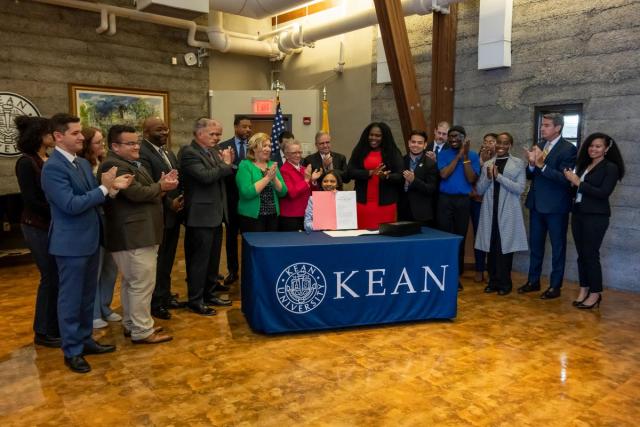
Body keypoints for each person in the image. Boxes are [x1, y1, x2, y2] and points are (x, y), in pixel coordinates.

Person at [41, 113, 132, 373]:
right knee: (70, 299)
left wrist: (112, 188)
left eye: (81, 132)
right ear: (58, 137)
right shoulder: (53, 168)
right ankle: (72, 351)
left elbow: (93, 198)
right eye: (75, 133)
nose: (82, 137)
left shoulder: (80, 164)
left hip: (91, 239)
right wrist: (104, 189)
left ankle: (84, 339)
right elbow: (70, 205)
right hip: (70, 244)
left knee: (86, 296)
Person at [100, 125, 175, 344]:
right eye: (130, 143)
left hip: (139, 233)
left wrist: (160, 186)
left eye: (137, 142)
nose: (136, 146)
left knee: (132, 283)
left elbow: (146, 189)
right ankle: (143, 330)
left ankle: (133, 324)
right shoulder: (114, 164)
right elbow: (136, 194)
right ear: (115, 146)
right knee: (141, 284)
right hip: (133, 234)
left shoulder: (129, 163)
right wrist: (160, 186)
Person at [519, 113, 577, 299]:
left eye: (546, 125)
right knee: (535, 246)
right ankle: (533, 281)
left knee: (558, 248)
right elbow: (531, 175)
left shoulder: (569, 149)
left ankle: (555, 286)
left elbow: (564, 179)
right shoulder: (540, 145)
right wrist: (530, 164)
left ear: (558, 128)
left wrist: (542, 165)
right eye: (542, 125)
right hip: (536, 204)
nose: (542, 128)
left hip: (556, 207)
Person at [563, 132, 625, 309]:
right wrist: (571, 183)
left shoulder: (610, 167)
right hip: (578, 214)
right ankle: (584, 289)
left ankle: (595, 293)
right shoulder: (584, 165)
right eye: (591, 145)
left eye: (598, 146)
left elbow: (603, 193)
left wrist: (578, 183)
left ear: (606, 149)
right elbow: (577, 190)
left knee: (590, 254)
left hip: (596, 216)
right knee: (581, 255)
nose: (593, 149)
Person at [14, 116, 60, 348]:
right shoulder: (26, 162)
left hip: (51, 224)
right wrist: (62, 209)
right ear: (39, 136)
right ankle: (42, 331)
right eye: (50, 132)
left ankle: (54, 325)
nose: (54, 136)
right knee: (49, 277)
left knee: (57, 277)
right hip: (36, 225)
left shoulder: (48, 159)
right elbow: (31, 201)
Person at [180, 118, 234, 316]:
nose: (217, 138)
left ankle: (210, 294)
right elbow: (206, 177)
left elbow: (223, 173)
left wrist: (228, 165)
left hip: (216, 213)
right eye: (213, 134)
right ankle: (195, 300)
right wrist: (226, 164)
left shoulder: (212, 151)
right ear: (199, 133)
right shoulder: (189, 152)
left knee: (212, 260)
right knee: (199, 261)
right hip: (200, 215)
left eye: (218, 134)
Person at [138, 117, 185, 321]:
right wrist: (170, 204)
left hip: (173, 214)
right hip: (158, 214)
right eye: (159, 130)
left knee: (167, 260)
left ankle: (165, 295)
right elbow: (151, 184)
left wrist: (179, 200)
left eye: (166, 129)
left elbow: (175, 179)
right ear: (146, 132)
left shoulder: (167, 152)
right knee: (157, 261)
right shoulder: (143, 153)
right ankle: (155, 302)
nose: (165, 132)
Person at [474, 132, 528, 295]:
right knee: (491, 246)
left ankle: (505, 283)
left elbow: (519, 188)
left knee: (505, 248)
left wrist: (499, 177)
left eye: (505, 143)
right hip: (490, 210)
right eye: (498, 143)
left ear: (510, 145)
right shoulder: (488, 164)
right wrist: (489, 177)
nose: (501, 146)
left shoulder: (518, 163)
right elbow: (480, 189)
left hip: (508, 210)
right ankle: (493, 281)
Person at [78, 127, 120, 329]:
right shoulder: (83, 165)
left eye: (103, 141)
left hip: (111, 221)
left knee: (111, 269)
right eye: (97, 142)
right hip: (96, 221)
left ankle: (105, 306)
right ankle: (93, 312)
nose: (101, 146)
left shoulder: (105, 163)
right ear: (87, 145)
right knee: (96, 269)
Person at [437, 125, 481, 290]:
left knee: (459, 238)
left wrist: (465, 157)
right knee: (445, 237)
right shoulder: (444, 154)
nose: (453, 139)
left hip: (463, 201)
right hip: (445, 200)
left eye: (457, 136)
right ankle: (444, 274)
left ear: (464, 137)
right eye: (451, 136)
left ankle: (456, 275)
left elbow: (471, 179)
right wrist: (458, 157)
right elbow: (444, 174)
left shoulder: (473, 156)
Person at [347, 122, 403, 229]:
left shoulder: (393, 152)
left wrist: (386, 176)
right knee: (362, 236)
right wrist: (369, 173)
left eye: (378, 136)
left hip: (385, 205)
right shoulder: (360, 150)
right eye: (371, 135)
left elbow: (400, 176)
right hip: (362, 204)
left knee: (385, 237)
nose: (373, 138)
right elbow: (350, 172)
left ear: (384, 137)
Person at [218, 116, 252, 287]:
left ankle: (250, 269)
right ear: (235, 127)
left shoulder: (254, 147)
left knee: (249, 237)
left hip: (250, 200)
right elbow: (221, 170)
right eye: (244, 127)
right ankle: (233, 271)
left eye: (249, 127)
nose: (248, 130)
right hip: (231, 199)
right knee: (231, 237)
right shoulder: (223, 146)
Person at [236, 132, 287, 232]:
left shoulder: (272, 165)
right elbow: (246, 193)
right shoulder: (245, 165)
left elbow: (283, 192)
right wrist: (267, 178)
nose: (268, 149)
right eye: (264, 146)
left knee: (271, 247)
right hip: (251, 217)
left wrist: (274, 178)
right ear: (254, 148)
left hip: (272, 216)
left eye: (269, 146)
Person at [470, 133, 497, 282]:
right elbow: (471, 177)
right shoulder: (476, 158)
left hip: (493, 202)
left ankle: (491, 269)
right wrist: (481, 163)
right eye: (486, 141)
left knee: (493, 236)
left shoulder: (500, 159)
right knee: (479, 235)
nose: (488, 144)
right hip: (478, 202)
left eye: (492, 141)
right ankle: (479, 269)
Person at [397, 130, 438, 225]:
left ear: (425, 145)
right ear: (409, 143)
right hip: (403, 212)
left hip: (422, 214)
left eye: (420, 143)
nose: (416, 145)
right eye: (413, 142)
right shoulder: (401, 160)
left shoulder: (430, 163)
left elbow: (431, 189)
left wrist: (414, 180)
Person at [279, 140, 322, 231]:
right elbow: (291, 193)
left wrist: (313, 181)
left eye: (299, 152)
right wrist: (306, 180)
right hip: (291, 216)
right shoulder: (283, 170)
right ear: (286, 155)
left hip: (306, 214)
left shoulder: (304, 169)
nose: (298, 155)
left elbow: (311, 193)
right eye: (294, 153)